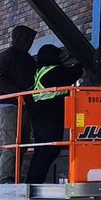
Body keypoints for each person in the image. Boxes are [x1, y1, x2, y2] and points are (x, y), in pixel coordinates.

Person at [26, 44, 84, 184]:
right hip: (50, 119)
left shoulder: (40, 72)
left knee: (42, 151)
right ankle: (34, 181)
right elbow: (71, 74)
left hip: (41, 119)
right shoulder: (52, 72)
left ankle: (33, 180)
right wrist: (80, 63)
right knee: (49, 150)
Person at [0, 25, 36, 182]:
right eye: (27, 40)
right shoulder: (7, 56)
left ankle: (15, 176)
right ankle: (6, 177)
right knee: (12, 142)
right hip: (9, 105)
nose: (29, 43)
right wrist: (16, 92)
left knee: (22, 143)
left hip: (24, 105)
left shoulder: (28, 59)